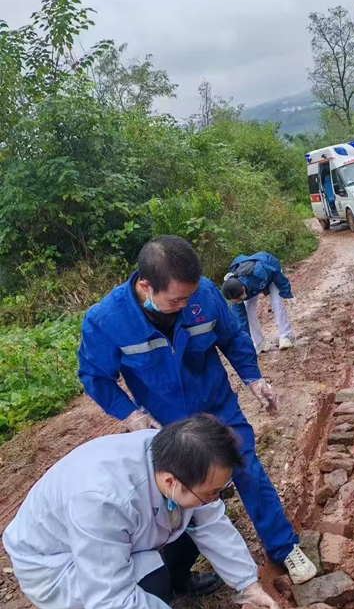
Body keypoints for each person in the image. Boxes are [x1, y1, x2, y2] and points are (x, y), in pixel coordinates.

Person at [77, 236, 316, 584]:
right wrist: (130, 415)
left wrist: (253, 378)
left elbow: (232, 337)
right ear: (146, 286)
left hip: (216, 405)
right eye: (176, 300)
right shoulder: (107, 321)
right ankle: (180, 574)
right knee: (177, 495)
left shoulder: (203, 294)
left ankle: (283, 546)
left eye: (189, 297)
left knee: (246, 467)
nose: (186, 305)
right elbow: (95, 376)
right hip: (166, 422)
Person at [2, 415, 281, 609]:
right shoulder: (102, 501)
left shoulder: (179, 457)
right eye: (211, 492)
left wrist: (248, 583)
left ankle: (177, 582)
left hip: (110, 533)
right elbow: (110, 597)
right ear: (172, 481)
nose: (215, 498)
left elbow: (210, 520)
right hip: (55, 561)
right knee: (150, 576)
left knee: (191, 519)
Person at [221, 252, 295, 353]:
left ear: (243, 290)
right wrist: (245, 343)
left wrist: (287, 293)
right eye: (236, 301)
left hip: (271, 273)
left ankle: (285, 336)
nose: (238, 302)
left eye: (239, 299)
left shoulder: (259, 272)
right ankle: (260, 343)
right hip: (252, 284)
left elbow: (277, 275)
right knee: (248, 311)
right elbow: (240, 320)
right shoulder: (234, 290)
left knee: (277, 302)